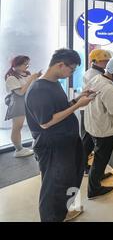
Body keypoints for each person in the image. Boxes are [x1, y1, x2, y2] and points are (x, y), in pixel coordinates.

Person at [25, 49, 94, 222]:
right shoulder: (39, 89)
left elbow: (60, 109)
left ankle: (61, 213)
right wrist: (77, 106)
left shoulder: (54, 83)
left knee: (67, 181)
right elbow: (46, 122)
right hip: (52, 146)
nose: (71, 73)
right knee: (53, 188)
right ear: (60, 64)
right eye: (71, 69)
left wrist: (77, 99)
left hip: (66, 142)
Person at [84, 57, 113, 199]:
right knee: (100, 159)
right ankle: (94, 189)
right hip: (103, 130)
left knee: (99, 158)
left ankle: (97, 177)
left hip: (93, 125)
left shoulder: (97, 79)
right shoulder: (108, 87)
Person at [81, 49, 112, 176]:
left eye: (107, 61)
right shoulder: (93, 75)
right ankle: (87, 169)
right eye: (104, 61)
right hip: (92, 111)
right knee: (89, 142)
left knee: (87, 141)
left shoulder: (92, 72)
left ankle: (85, 167)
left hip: (90, 109)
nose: (106, 63)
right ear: (95, 62)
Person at [4, 56, 41, 157]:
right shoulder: (11, 77)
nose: (27, 66)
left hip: (29, 101)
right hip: (18, 103)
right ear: (17, 64)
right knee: (17, 127)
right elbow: (20, 92)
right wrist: (31, 79)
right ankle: (19, 149)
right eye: (25, 64)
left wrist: (36, 78)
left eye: (28, 64)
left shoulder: (25, 74)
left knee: (34, 123)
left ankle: (35, 142)